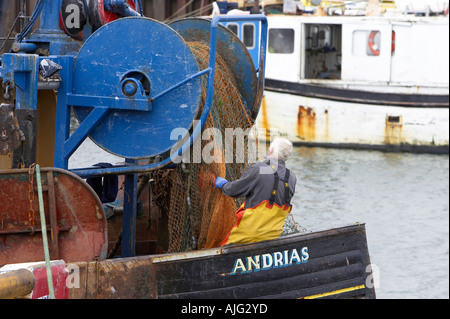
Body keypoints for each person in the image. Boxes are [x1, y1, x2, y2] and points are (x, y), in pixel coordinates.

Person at [215, 138, 297, 246]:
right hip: (272, 237)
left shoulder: (259, 169)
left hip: (246, 236)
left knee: (222, 246)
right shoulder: (292, 177)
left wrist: (224, 185)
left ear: (271, 150)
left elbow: (234, 191)